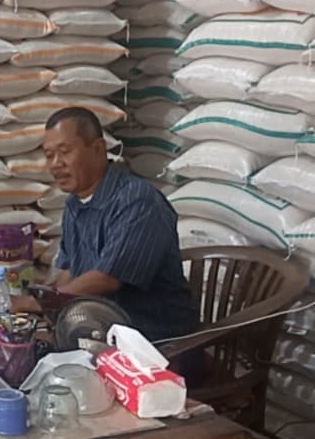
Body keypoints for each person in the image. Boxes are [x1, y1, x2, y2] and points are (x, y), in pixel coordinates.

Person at [26, 106, 199, 344]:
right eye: (49, 155)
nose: (56, 164)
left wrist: (33, 303)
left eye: (64, 152)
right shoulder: (74, 204)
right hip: (101, 330)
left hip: (156, 341)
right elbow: (69, 271)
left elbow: (106, 278)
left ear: (98, 149)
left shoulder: (137, 200)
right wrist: (48, 308)